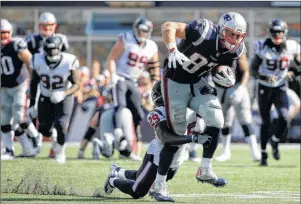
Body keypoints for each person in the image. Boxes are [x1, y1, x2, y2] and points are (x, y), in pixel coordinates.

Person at [151, 12, 247, 196]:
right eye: (230, 33)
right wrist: (172, 49)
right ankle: (158, 184)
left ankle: (205, 169)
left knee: (217, 118)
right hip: (174, 81)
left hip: (196, 81)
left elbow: (225, 66)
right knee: (176, 136)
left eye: (238, 35)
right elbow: (168, 25)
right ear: (220, 29)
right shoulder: (203, 30)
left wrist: (226, 75)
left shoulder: (236, 49)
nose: (233, 39)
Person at [103, 81, 210, 201]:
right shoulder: (157, 113)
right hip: (157, 157)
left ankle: (119, 171)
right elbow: (166, 138)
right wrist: (193, 138)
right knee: (138, 191)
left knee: (147, 177)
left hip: (177, 158)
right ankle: (113, 180)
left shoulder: (188, 109)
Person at [107, 16, 160, 158]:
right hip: (120, 77)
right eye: (139, 30)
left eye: (144, 30)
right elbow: (112, 57)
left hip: (134, 82)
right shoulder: (126, 39)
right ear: (135, 29)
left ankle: (133, 148)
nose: (141, 33)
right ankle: (118, 134)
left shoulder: (151, 46)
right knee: (121, 107)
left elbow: (154, 69)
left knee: (137, 113)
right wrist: (112, 75)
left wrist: (152, 89)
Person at [250, 19, 300, 166]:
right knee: (266, 122)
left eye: (280, 32)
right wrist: (264, 76)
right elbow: (253, 69)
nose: (277, 34)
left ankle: (275, 141)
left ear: (285, 33)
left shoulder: (291, 46)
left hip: (280, 87)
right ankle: (264, 154)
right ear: (270, 32)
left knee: (285, 117)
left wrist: (292, 73)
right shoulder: (261, 46)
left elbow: (298, 66)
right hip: (264, 87)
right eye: (274, 32)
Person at [29, 36, 80, 164]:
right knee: (43, 129)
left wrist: (64, 93)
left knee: (61, 125)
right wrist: (32, 103)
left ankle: (60, 152)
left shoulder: (69, 60)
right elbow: (34, 82)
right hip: (45, 95)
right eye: (49, 49)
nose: (52, 52)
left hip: (64, 96)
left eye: (54, 49)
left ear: (60, 48)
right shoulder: (38, 59)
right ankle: (53, 136)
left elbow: (77, 84)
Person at [26, 12, 69, 157]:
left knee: (59, 119)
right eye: (44, 25)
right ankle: (35, 140)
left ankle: (55, 146)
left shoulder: (61, 39)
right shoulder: (32, 41)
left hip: (57, 84)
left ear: (54, 26)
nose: (47, 28)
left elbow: (64, 63)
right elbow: (26, 61)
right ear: (39, 26)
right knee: (34, 114)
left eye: (50, 25)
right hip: (39, 80)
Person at [1, 19, 41, 160]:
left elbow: (31, 63)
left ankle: (35, 136)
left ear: (10, 33)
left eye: (6, 33)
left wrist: (33, 83)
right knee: (4, 120)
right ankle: (9, 151)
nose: (3, 36)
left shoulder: (16, 45)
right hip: (4, 86)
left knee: (19, 116)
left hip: (19, 84)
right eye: (1, 33)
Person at [214, 53, 261, 162]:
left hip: (237, 86)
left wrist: (241, 87)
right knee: (224, 121)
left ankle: (255, 151)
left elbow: (245, 71)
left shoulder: (237, 49)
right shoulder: (214, 48)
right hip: (220, 88)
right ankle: (225, 151)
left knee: (245, 120)